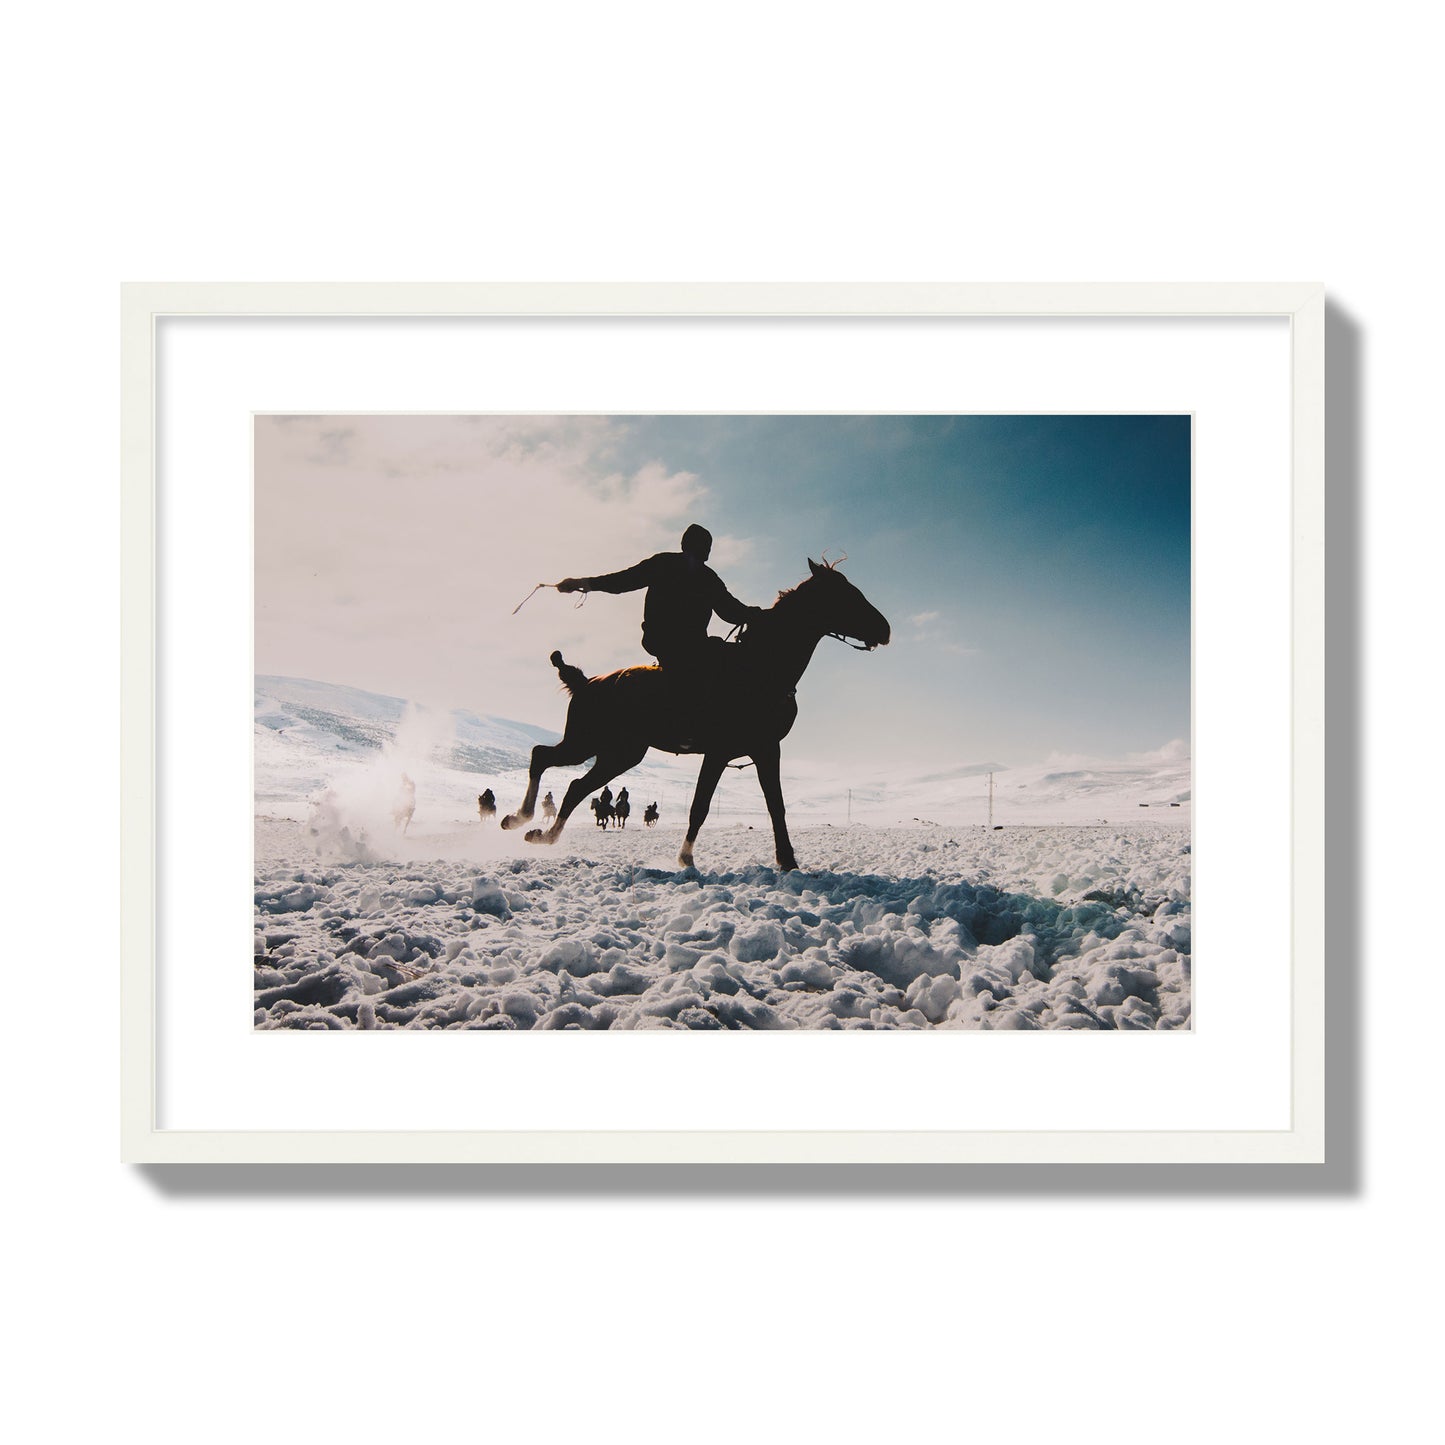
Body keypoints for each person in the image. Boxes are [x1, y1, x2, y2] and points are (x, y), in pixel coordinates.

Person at [557, 524, 762, 683]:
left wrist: (582, 583)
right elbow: (731, 612)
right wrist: (583, 584)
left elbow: (621, 581)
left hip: (682, 644)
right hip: (671, 643)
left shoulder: (693, 573)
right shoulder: (689, 572)